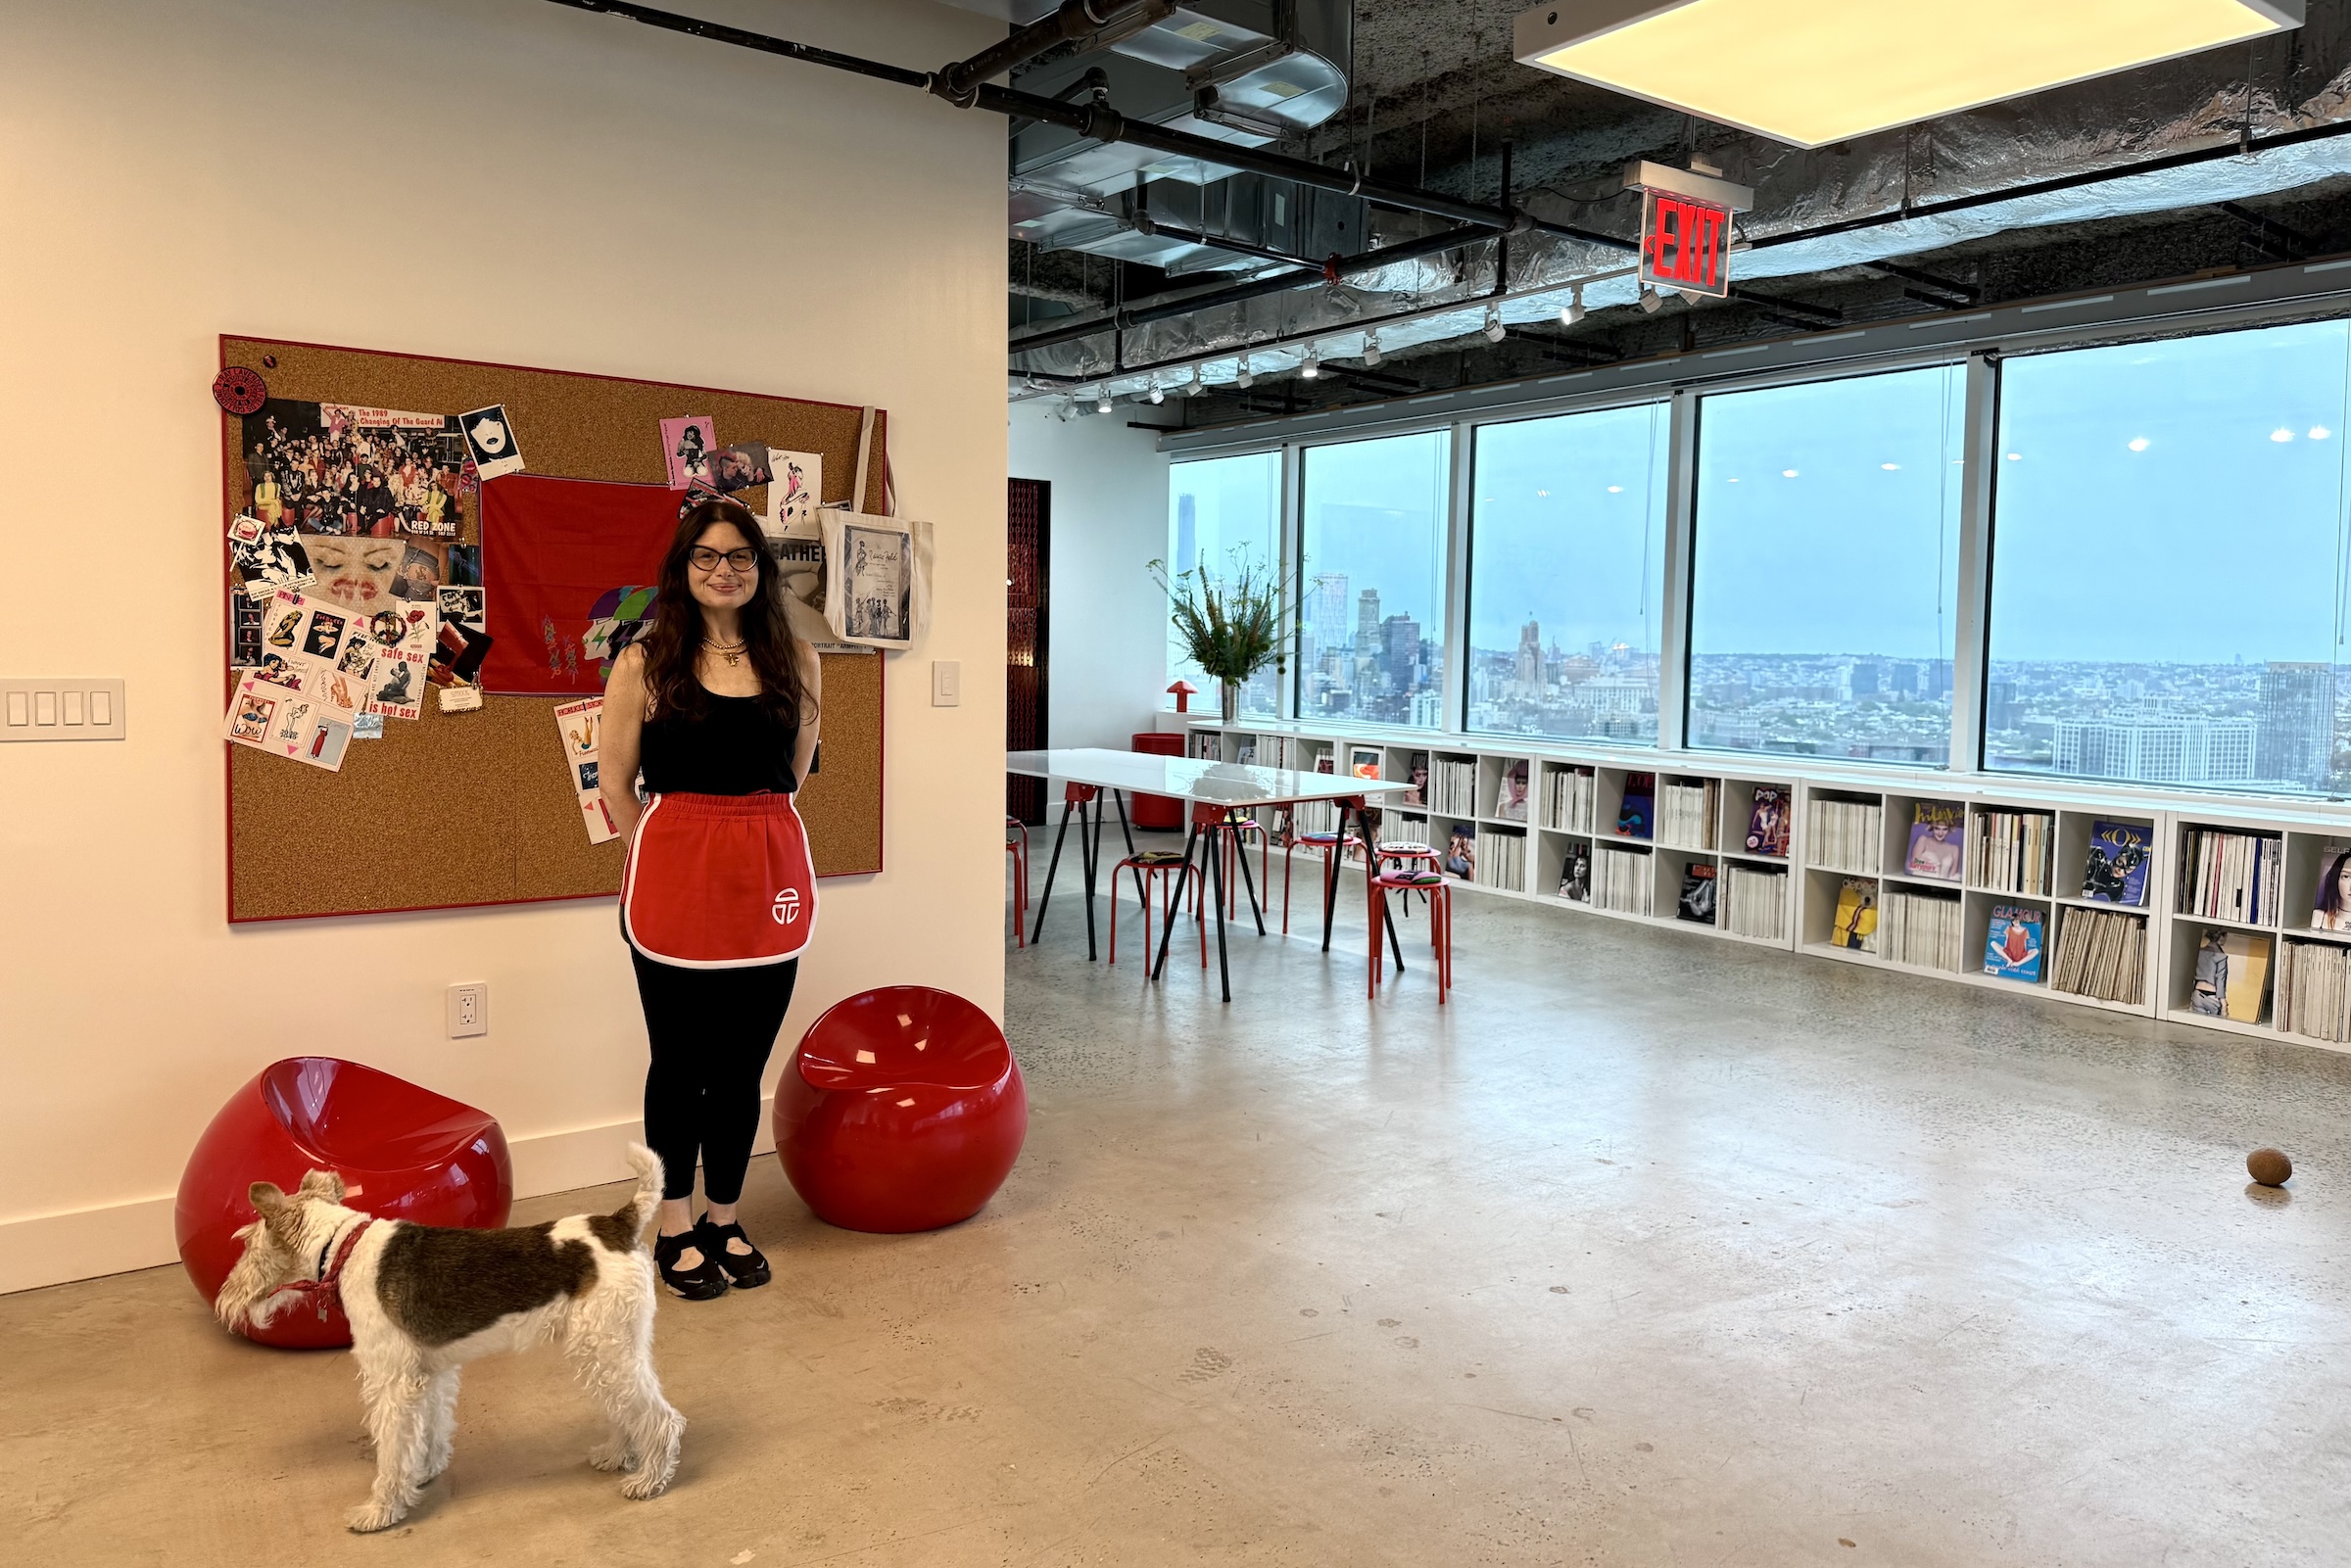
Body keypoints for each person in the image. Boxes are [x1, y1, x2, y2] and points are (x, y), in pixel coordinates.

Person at [600, 498, 822, 1301]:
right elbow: (617, 787)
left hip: (766, 875)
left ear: (759, 570)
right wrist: (672, 848)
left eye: (739, 556)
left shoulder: (798, 657)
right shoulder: (643, 663)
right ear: (682, 568)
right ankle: (673, 1221)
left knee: (741, 1066)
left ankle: (724, 1216)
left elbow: (793, 774)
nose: (723, 569)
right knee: (681, 1064)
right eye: (706, 555)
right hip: (675, 878)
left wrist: (738, 836)